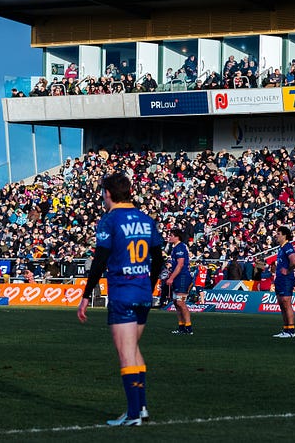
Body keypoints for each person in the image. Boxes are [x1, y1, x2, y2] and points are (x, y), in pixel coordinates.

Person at [76, 173, 165, 427]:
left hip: (122, 293)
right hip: (142, 293)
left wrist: (86, 296)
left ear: (108, 194)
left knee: (125, 353)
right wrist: (148, 286)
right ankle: (142, 408)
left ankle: (134, 413)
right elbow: (158, 260)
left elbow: (100, 260)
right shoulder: (147, 220)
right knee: (134, 350)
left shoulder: (109, 220)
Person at [165, 228, 193, 336]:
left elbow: (180, 264)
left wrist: (171, 277)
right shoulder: (175, 248)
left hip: (182, 276)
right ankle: (181, 327)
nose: (169, 237)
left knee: (180, 302)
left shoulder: (180, 247)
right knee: (176, 303)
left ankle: (188, 327)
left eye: (171, 235)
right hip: (178, 276)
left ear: (177, 237)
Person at [272, 226, 295, 339]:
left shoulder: (288, 247)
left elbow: (294, 261)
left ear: (284, 235)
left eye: (278, 233)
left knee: (286, 303)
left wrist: (288, 270)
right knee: (282, 304)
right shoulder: (281, 248)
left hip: (286, 279)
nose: (276, 236)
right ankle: (286, 329)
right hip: (280, 279)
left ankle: (291, 330)